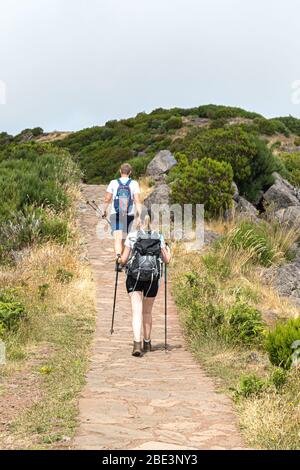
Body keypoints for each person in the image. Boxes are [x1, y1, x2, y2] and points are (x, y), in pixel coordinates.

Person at [118, 212, 171, 357]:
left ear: (139, 221)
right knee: (147, 311)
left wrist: (118, 259)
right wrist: (169, 250)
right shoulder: (159, 236)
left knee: (136, 310)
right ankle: (147, 343)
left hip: (134, 277)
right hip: (152, 279)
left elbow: (123, 259)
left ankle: (137, 345)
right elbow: (166, 260)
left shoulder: (132, 236)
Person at [102, 163, 142, 265]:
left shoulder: (113, 183)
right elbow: (137, 201)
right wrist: (139, 216)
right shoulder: (134, 184)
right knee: (124, 238)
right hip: (129, 214)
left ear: (120, 171)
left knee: (117, 238)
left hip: (116, 213)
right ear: (130, 172)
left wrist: (104, 210)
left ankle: (118, 258)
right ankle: (122, 261)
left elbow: (107, 199)